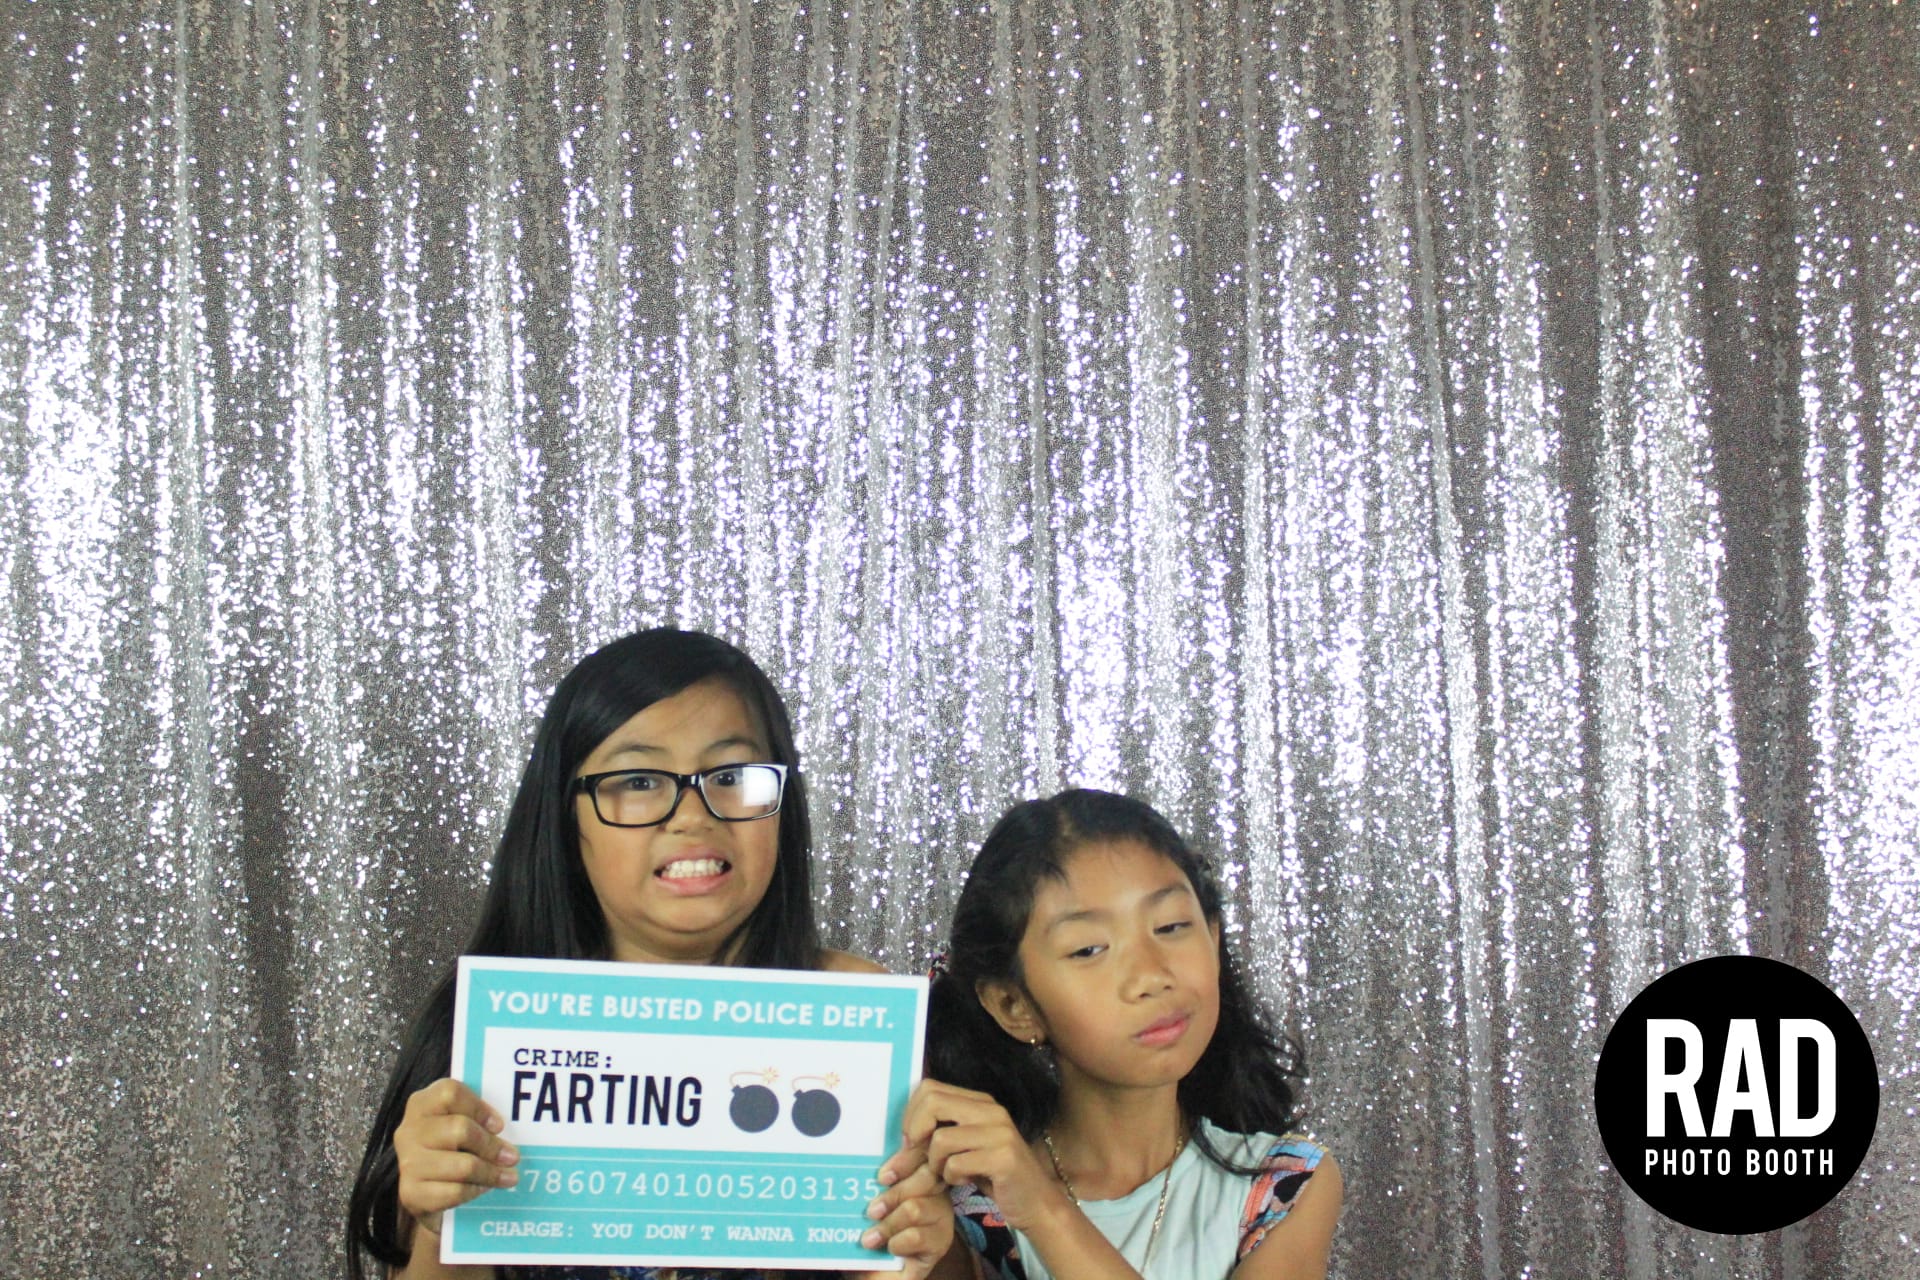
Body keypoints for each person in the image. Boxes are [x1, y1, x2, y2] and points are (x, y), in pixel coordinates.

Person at [346, 627, 951, 1280]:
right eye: (638, 780)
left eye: (731, 775)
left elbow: (901, 1253)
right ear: (567, 816)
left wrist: (913, 1253)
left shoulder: (861, 1019)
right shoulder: (486, 1034)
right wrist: (442, 1222)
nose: (692, 816)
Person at [907, 789, 1343, 1280]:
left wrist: (1043, 1208)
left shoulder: (1284, 1186)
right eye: (1089, 950)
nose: (1151, 976)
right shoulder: (966, 1205)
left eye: (1171, 926)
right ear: (1015, 1006)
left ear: (1213, 936)